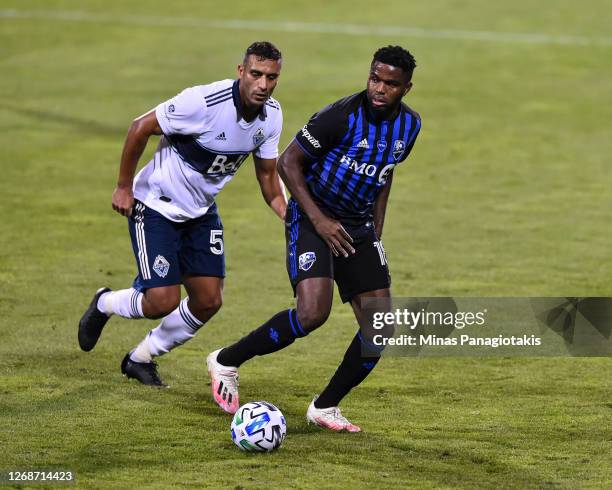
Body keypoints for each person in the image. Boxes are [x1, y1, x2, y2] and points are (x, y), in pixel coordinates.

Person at [207, 45, 421, 431]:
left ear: (405, 89)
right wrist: (319, 220)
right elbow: (289, 162)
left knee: (380, 327)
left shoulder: (411, 126)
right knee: (312, 314)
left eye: (390, 84)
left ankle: (325, 407)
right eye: (375, 78)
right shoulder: (340, 116)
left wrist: (376, 228)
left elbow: (385, 172)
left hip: (357, 225)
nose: (379, 88)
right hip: (311, 216)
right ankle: (226, 360)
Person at [78, 42, 287, 387]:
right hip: (156, 204)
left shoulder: (272, 116)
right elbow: (139, 127)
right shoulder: (203, 103)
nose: (263, 84)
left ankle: (140, 357)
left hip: (200, 212)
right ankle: (105, 303)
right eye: (256, 74)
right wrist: (123, 187)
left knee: (208, 301)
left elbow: (268, 175)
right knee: (162, 300)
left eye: (271, 77)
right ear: (240, 72)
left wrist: (286, 213)